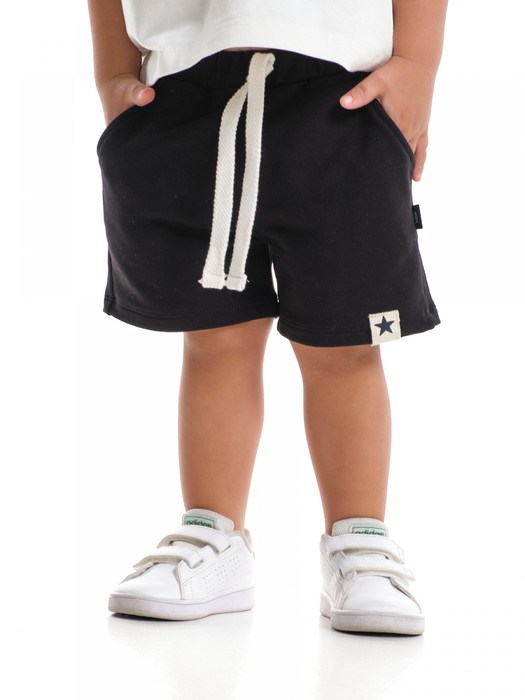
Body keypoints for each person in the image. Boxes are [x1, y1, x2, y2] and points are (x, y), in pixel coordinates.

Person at [87, 0, 447, 635]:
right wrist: (113, 66)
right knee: (213, 335)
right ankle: (214, 533)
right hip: (180, 87)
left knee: (344, 344)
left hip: (343, 89)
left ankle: (359, 540)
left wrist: (418, 63)